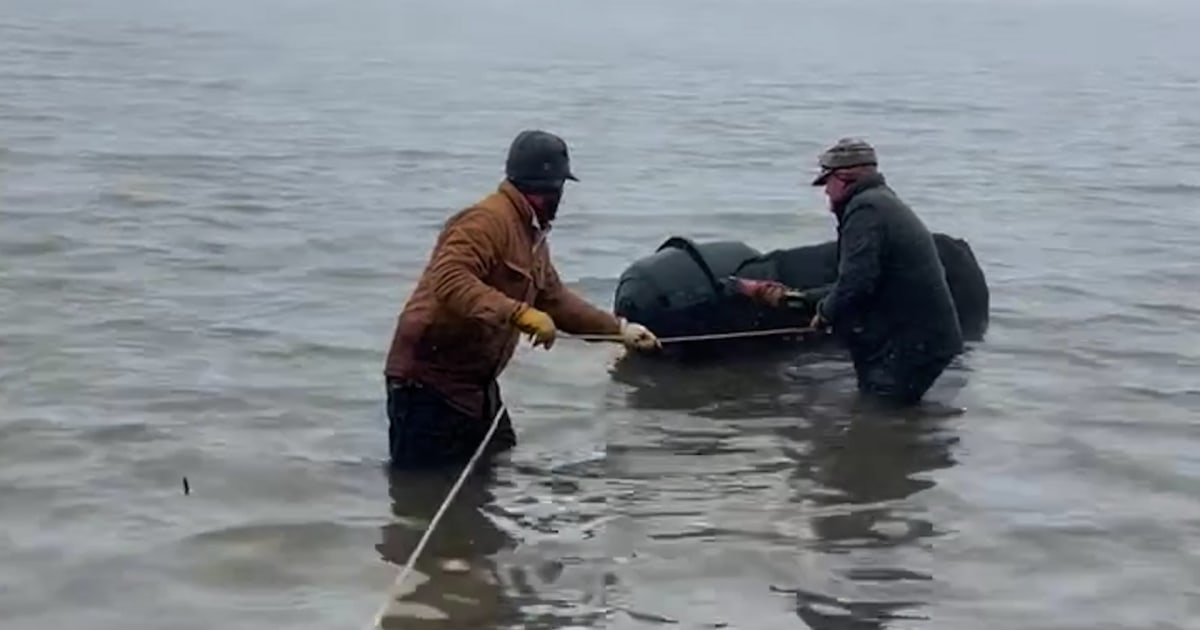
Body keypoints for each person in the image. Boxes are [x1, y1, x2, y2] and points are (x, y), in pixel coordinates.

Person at [382, 129, 661, 470]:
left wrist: (619, 329)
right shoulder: (485, 222)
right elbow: (449, 279)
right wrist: (520, 314)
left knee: (497, 466)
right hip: (427, 385)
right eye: (560, 187)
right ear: (549, 187)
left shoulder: (531, 234)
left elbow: (555, 301)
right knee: (425, 492)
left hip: (476, 387)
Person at [735, 137, 964, 405]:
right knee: (891, 419)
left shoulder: (865, 211)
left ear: (845, 178)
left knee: (879, 414)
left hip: (910, 342)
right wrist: (801, 299)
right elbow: (856, 283)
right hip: (921, 336)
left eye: (827, 183)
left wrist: (824, 314)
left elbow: (857, 283)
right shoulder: (881, 202)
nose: (826, 192)